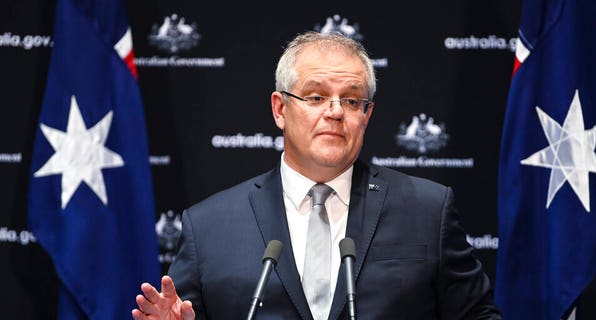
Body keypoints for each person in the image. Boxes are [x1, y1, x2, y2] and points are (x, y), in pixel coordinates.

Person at [132, 31, 502, 320]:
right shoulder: (209, 227)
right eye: (315, 97)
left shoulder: (427, 210)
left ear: (366, 115)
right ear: (280, 109)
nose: (336, 111)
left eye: (352, 100)